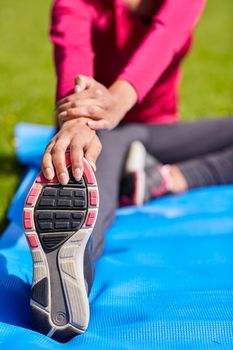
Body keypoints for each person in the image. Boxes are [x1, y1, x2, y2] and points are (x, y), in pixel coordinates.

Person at [23, 0, 233, 342]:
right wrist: (79, 122)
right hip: (96, 132)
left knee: (91, 179)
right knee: (85, 181)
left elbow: (165, 38)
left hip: (151, 131)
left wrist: (115, 103)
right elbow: (73, 56)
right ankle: (66, 281)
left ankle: (163, 178)